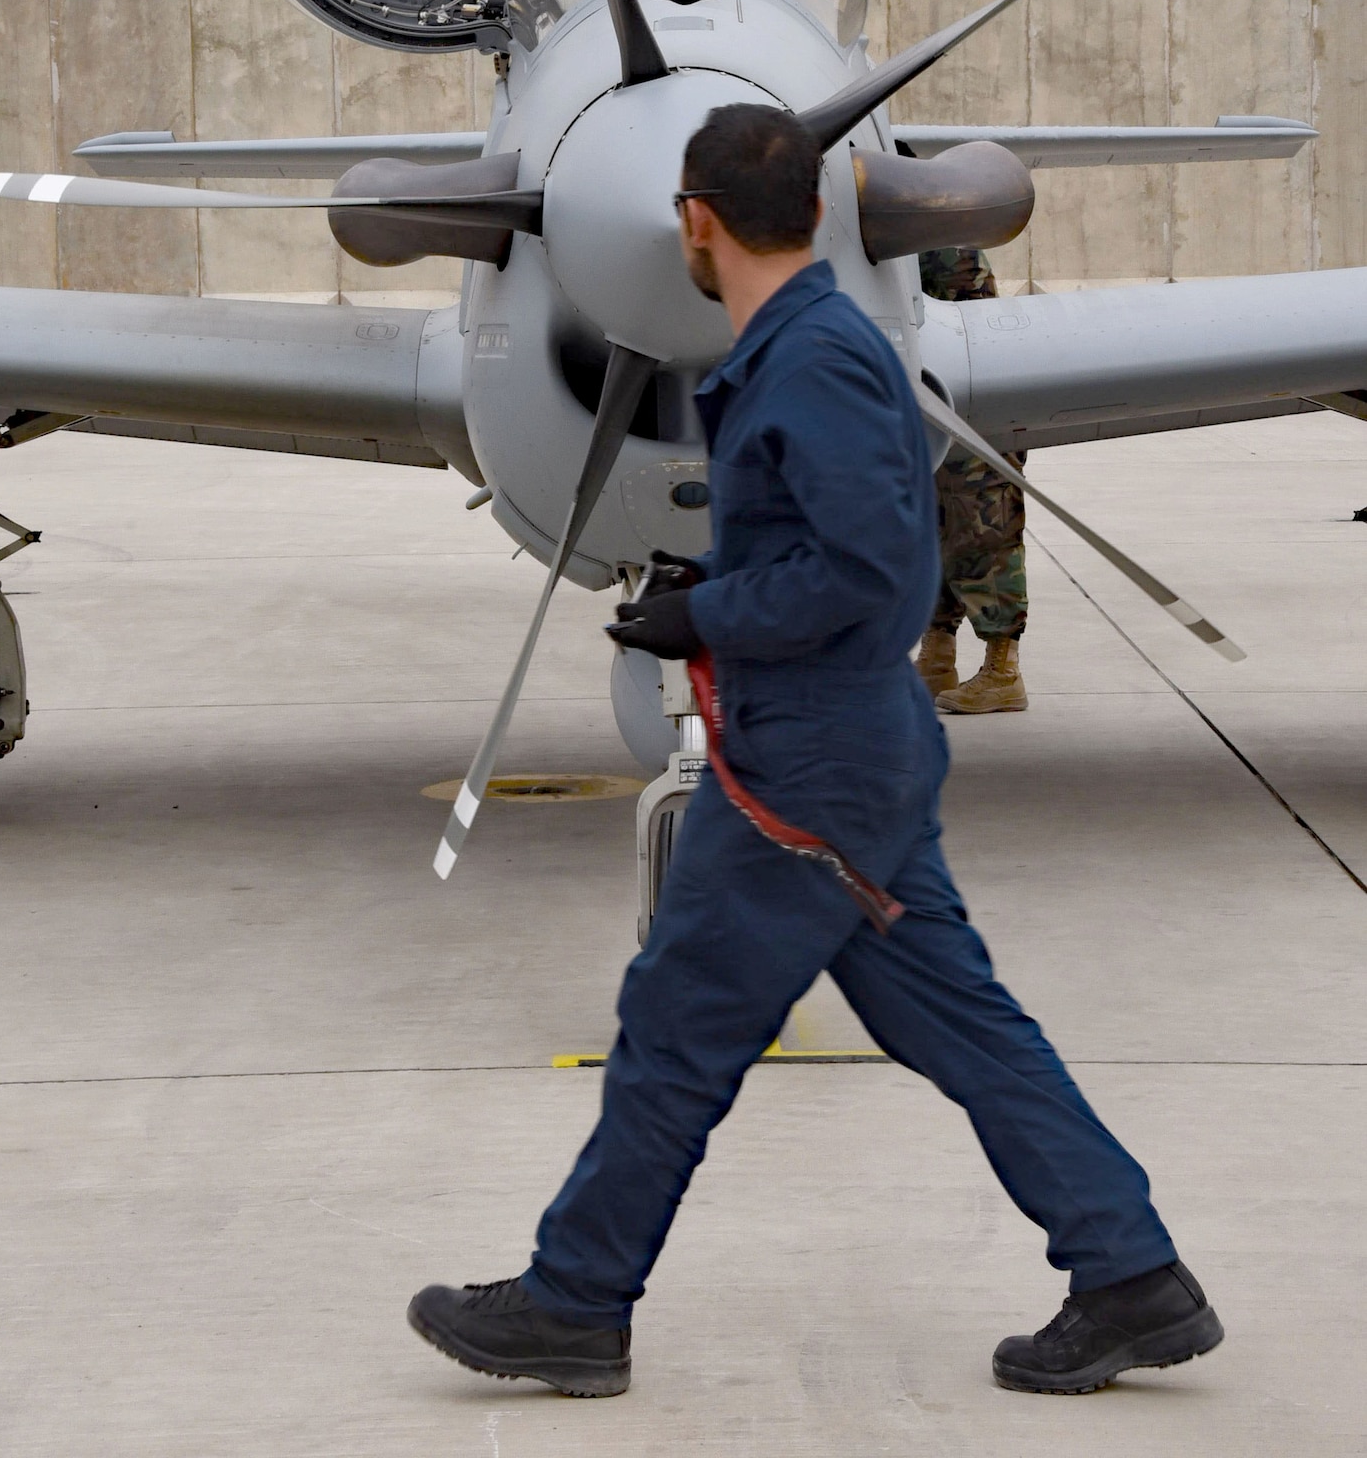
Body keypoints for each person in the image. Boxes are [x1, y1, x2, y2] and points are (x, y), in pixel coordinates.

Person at [407, 105, 1222, 1400]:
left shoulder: (813, 362)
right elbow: (822, 546)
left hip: (808, 772)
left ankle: (573, 1302)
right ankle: (1130, 1276)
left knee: (675, 1031)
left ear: (695, 221)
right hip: (847, 756)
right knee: (967, 1030)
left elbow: (871, 578)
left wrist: (705, 612)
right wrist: (705, 574)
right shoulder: (806, 344)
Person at [916, 247, 1028, 713]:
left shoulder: (942, 244)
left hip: (975, 396)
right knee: (937, 525)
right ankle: (936, 659)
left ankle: (1003, 672)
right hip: (939, 390)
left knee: (983, 528)